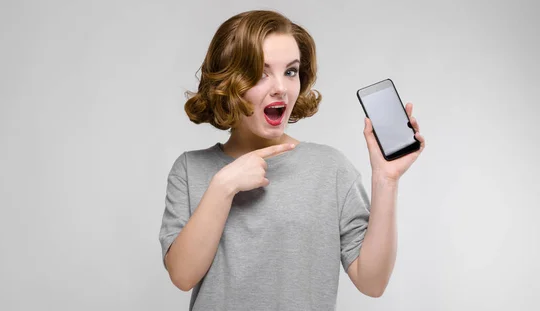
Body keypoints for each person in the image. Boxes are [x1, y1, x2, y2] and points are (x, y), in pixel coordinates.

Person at [158, 9, 425, 311]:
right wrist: (224, 186)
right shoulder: (190, 169)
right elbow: (182, 276)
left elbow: (372, 282)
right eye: (260, 72)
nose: (281, 88)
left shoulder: (330, 169)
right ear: (228, 80)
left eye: (291, 71)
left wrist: (386, 181)